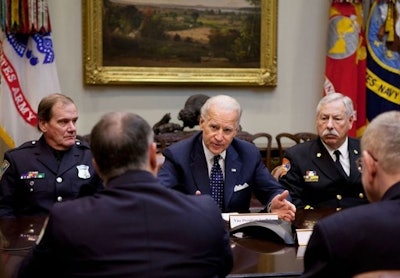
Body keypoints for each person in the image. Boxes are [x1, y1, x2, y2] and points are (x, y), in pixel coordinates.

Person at [17, 112, 233, 278]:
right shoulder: (205, 210)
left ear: (96, 166)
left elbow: (28, 275)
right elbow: (223, 267)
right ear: (152, 156)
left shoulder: (67, 218)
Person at [158, 94, 296, 222]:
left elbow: (273, 191)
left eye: (227, 130)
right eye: (214, 127)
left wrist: (276, 204)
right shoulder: (178, 155)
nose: (219, 137)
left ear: (236, 131)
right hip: (193, 232)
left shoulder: (248, 154)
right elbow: (158, 196)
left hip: (238, 237)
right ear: (202, 123)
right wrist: (185, 207)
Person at [301, 111, 400, 277]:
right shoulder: (301, 154)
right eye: (324, 118)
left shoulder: (337, 232)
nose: (330, 124)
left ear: (369, 164)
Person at [0, 93, 103, 218]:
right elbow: (4, 209)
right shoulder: (18, 159)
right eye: (63, 122)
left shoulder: (91, 156)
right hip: (33, 235)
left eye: (74, 121)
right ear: (43, 125)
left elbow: (103, 204)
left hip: (79, 234)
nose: (72, 128)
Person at [277, 93, 367, 210]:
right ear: (316, 121)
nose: (329, 125)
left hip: (363, 222)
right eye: (324, 118)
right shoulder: (298, 156)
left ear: (350, 121)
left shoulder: (365, 150)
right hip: (318, 223)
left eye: (337, 119)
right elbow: (291, 199)